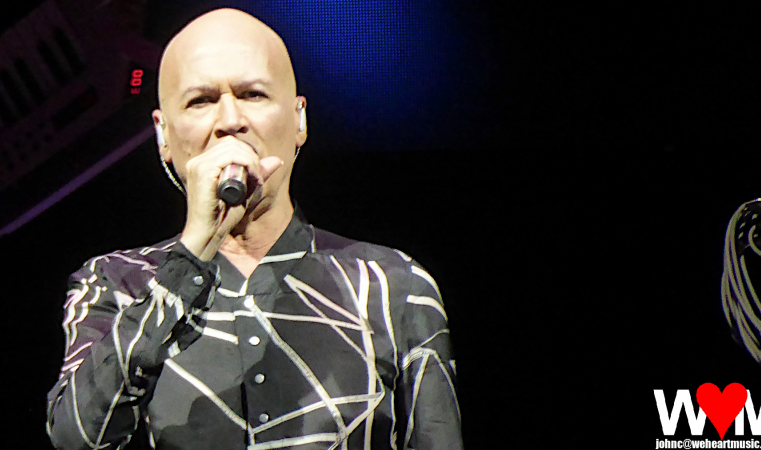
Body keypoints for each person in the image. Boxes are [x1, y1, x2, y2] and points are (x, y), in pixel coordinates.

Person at [45, 8, 462, 450]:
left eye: (253, 94)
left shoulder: (392, 283)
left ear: (299, 120)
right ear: (163, 135)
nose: (230, 121)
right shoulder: (116, 283)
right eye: (200, 101)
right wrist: (192, 254)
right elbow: (76, 438)